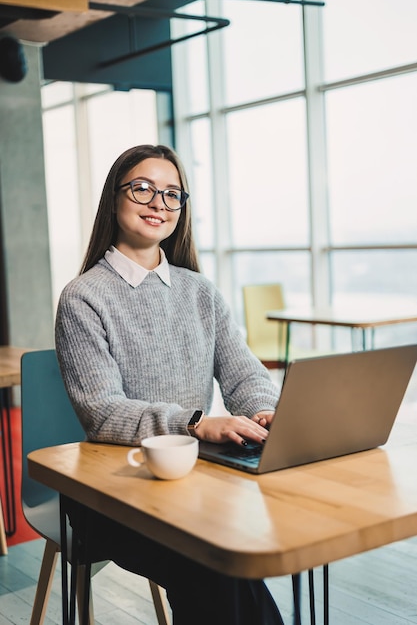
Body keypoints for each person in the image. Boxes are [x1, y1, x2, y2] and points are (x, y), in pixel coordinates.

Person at [55, 144, 284, 625]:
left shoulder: (199, 291)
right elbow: (102, 411)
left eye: (172, 194)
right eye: (142, 188)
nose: (158, 203)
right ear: (113, 199)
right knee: (217, 567)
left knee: (232, 563)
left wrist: (264, 410)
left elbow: (244, 373)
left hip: (194, 482)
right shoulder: (82, 298)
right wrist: (196, 424)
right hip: (113, 489)